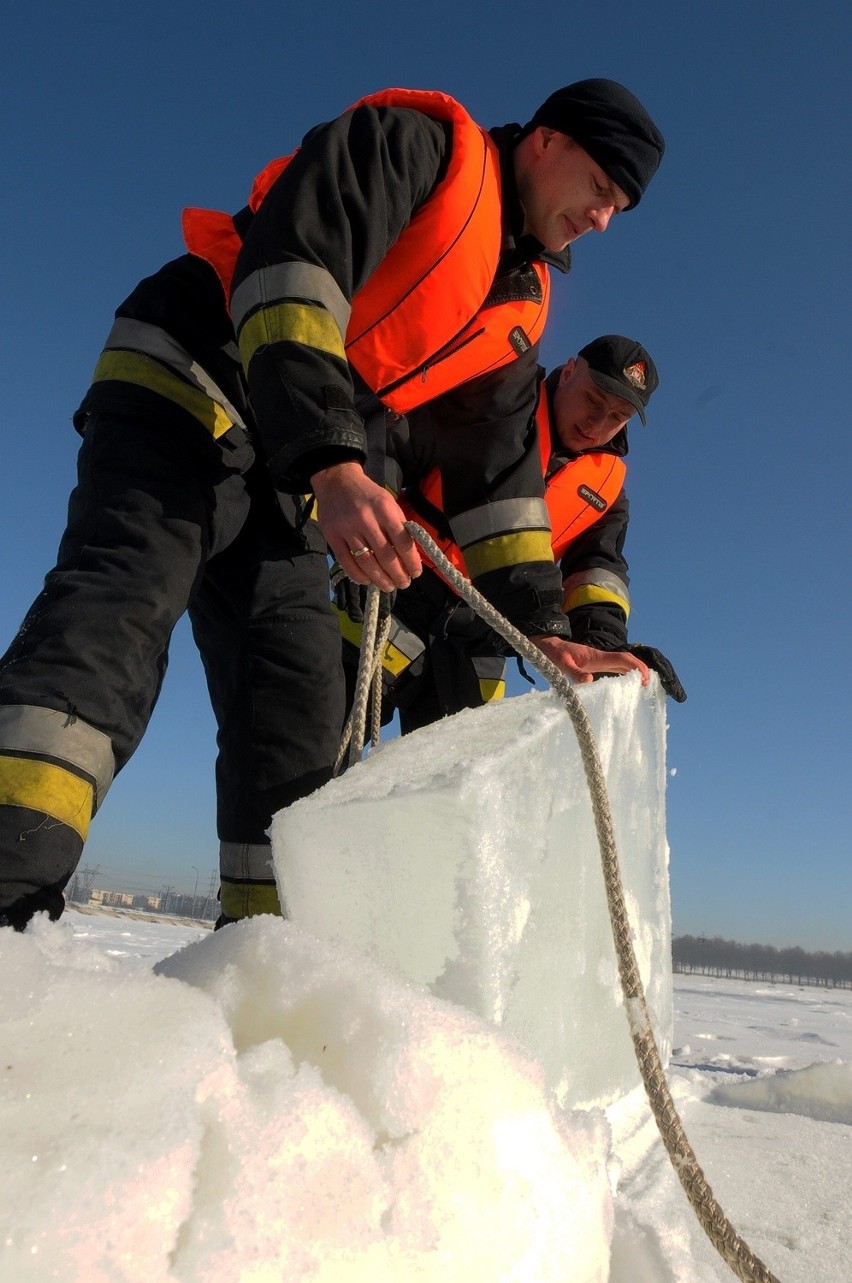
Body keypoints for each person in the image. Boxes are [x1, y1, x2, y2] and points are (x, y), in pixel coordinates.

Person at [0, 80, 664, 930]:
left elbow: (496, 477)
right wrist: (335, 464)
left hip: (290, 477)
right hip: (190, 385)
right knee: (119, 612)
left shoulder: (516, 305)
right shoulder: (418, 147)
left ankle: (264, 976)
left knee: (299, 720)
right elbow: (291, 270)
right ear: (546, 142)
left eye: (619, 209)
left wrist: (548, 631)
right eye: (601, 191)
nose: (602, 220)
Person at [338, 334, 686, 733]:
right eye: (593, 400)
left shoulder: (608, 494)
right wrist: (366, 538)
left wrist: (605, 648)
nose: (597, 424)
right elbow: (390, 446)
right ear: (570, 370)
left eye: (617, 416)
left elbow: (596, 575)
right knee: (312, 745)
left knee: (454, 787)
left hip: (483, 643)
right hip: (394, 593)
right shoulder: (489, 403)